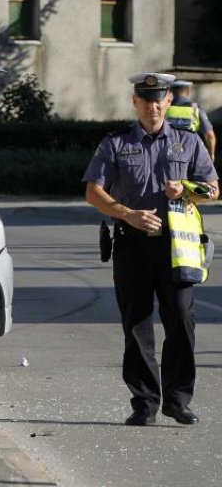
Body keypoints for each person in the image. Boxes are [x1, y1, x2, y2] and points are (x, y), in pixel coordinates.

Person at [83, 72, 219, 426]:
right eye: (145, 100)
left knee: (182, 320)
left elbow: (214, 190)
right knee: (137, 324)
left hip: (177, 247)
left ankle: (177, 399)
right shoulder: (115, 143)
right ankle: (144, 402)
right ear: (135, 103)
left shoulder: (188, 143)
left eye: (159, 99)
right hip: (131, 246)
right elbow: (93, 192)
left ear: (169, 102)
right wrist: (128, 214)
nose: (153, 106)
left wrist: (186, 189)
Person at [167, 80, 216, 161]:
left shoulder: (165, 108)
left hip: (169, 154)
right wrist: (211, 155)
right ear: (188, 92)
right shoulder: (194, 109)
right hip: (191, 154)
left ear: (171, 92)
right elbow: (210, 136)